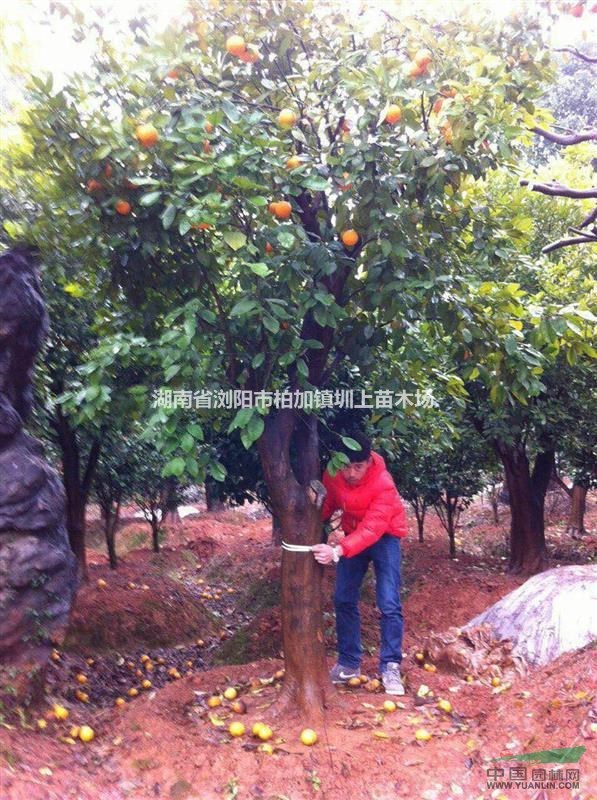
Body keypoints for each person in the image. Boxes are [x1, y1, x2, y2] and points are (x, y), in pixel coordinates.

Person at [311, 433, 408, 695]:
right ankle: (349, 663)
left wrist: (338, 550)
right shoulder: (333, 475)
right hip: (353, 536)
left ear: (368, 462)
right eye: (346, 465)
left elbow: (373, 528)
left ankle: (390, 665)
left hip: (384, 536)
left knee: (388, 602)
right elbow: (328, 502)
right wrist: (309, 517)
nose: (350, 473)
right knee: (343, 598)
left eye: (358, 466)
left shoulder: (383, 484)